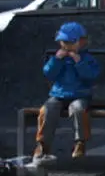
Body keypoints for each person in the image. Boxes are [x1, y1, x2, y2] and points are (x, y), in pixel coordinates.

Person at [33, 21, 101, 159]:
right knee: (47, 109)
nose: (66, 46)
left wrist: (79, 63)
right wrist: (56, 60)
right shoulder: (58, 58)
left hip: (80, 94)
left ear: (81, 42)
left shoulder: (87, 59)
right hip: (59, 94)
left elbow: (91, 76)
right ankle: (43, 144)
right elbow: (48, 73)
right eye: (63, 42)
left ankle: (80, 142)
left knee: (79, 109)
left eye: (70, 42)